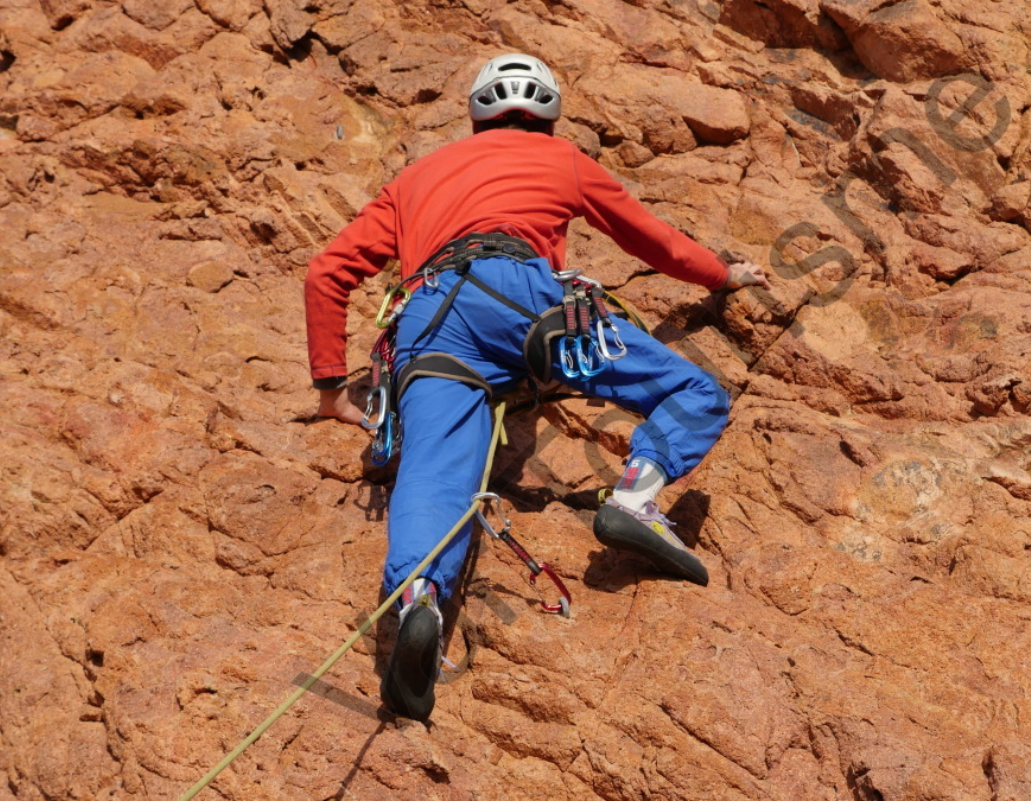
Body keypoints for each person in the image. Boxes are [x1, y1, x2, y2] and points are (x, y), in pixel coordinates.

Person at [303, 53, 768, 721]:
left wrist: (330, 390)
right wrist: (720, 276)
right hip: (525, 298)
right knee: (693, 391)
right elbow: (655, 242)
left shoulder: (416, 178)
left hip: (430, 319)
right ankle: (635, 497)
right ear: (548, 118)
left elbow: (327, 272)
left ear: (474, 116)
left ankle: (418, 601)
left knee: (433, 478)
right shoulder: (562, 161)